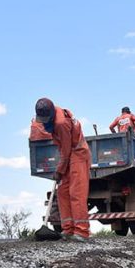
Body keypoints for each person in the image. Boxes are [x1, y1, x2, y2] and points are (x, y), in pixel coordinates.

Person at [35, 98, 91, 242]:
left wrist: (59, 170)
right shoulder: (53, 115)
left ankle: (82, 232)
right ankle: (68, 229)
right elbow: (64, 152)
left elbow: (66, 151)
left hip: (78, 153)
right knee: (62, 192)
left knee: (76, 192)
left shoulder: (61, 124)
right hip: (69, 154)